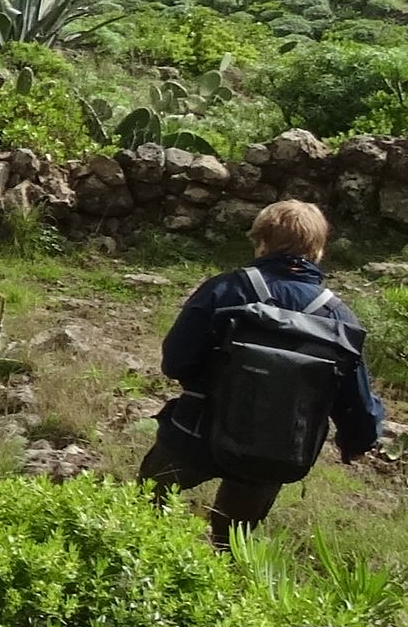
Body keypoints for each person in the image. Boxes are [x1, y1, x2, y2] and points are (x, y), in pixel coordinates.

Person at [141, 199, 383, 545]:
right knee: (229, 545)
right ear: (317, 251)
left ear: (261, 242)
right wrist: (358, 441)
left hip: (195, 433)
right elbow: (354, 398)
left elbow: (176, 361)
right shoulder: (338, 317)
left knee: (143, 514)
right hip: (274, 448)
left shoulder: (225, 289)